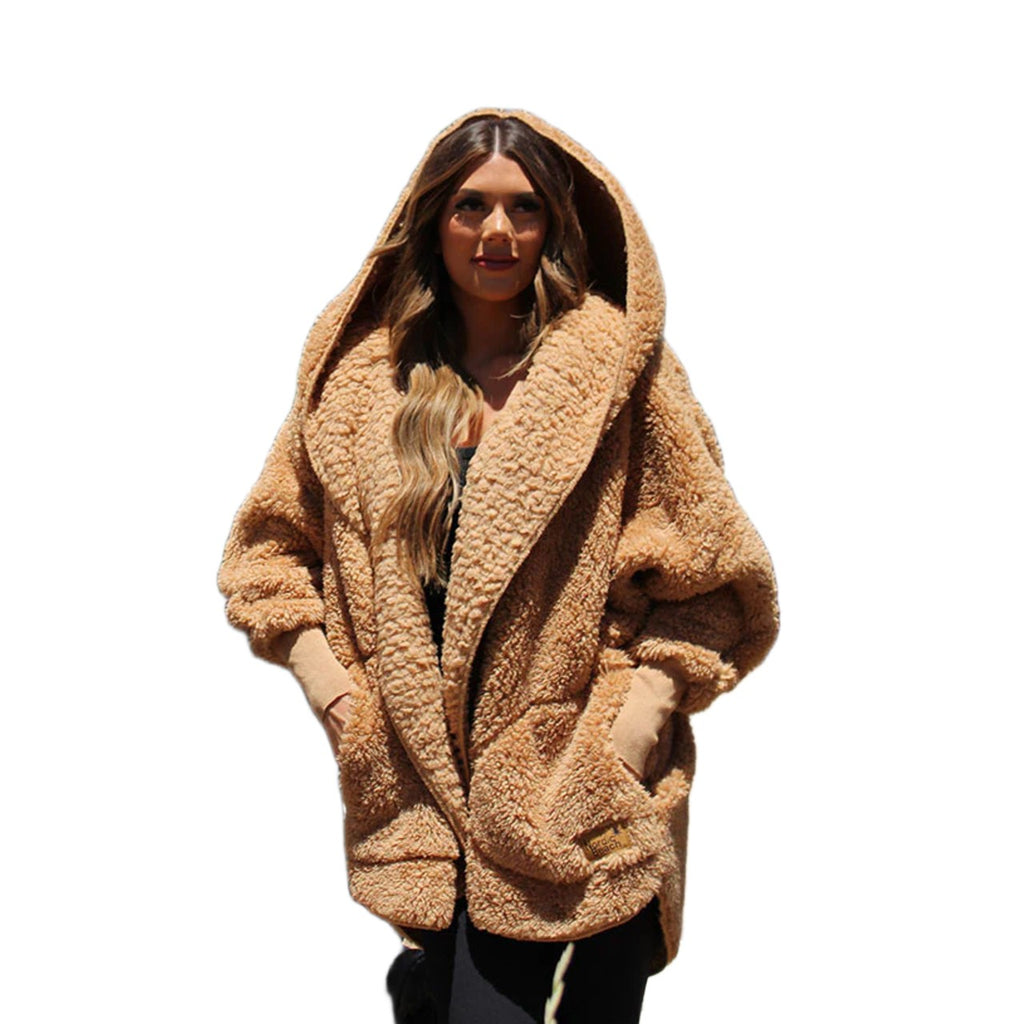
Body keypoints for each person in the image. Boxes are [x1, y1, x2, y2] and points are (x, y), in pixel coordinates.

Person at [217, 108, 780, 1024]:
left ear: (554, 224)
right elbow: (267, 553)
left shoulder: (617, 373)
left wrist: (632, 726)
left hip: (583, 788)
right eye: (470, 206)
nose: (497, 231)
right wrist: (338, 696)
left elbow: (715, 576)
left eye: (524, 208)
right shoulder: (363, 384)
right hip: (423, 798)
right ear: (431, 220)